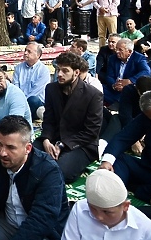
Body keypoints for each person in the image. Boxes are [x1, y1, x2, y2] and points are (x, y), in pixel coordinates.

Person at [35, 52, 103, 183]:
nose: (59, 74)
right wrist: (46, 140)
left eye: (65, 71)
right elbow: (49, 120)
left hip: (80, 144)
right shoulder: (51, 89)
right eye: (58, 69)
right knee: (26, 158)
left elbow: (91, 132)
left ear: (76, 72)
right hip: (54, 138)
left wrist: (62, 145)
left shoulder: (93, 95)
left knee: (58, 172)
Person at [59, 169, 151, 240]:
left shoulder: (146, 228)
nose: (99, 217)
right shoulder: (80, 209)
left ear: (125, 206)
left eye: (106, 212)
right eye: (93, 208)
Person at [12, 43, 50, 119]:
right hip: (19, 101)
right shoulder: (18, 68)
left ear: (38, 55)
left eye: (29, 51)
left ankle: (19, 119)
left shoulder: (43, 70)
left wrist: (21, 103)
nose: (25, 53)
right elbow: (15, 87)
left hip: (35, 103)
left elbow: (36, 92)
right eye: (25, 50)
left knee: (33, 99)